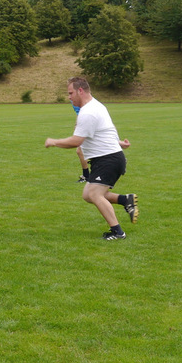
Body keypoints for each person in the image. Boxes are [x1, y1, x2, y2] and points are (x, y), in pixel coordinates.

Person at [44, 77, 138, 240]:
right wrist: (120, 143)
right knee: (88, 194)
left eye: (70, 93)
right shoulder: (96, 105)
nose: (69, 97)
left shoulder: (88, 112)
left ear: (80, 91)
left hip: (108, 159)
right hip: (107, 158)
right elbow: (105, 130)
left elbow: (76, 141)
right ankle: (125, 200)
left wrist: (54, 142)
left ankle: (118, 232)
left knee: (95, 194)